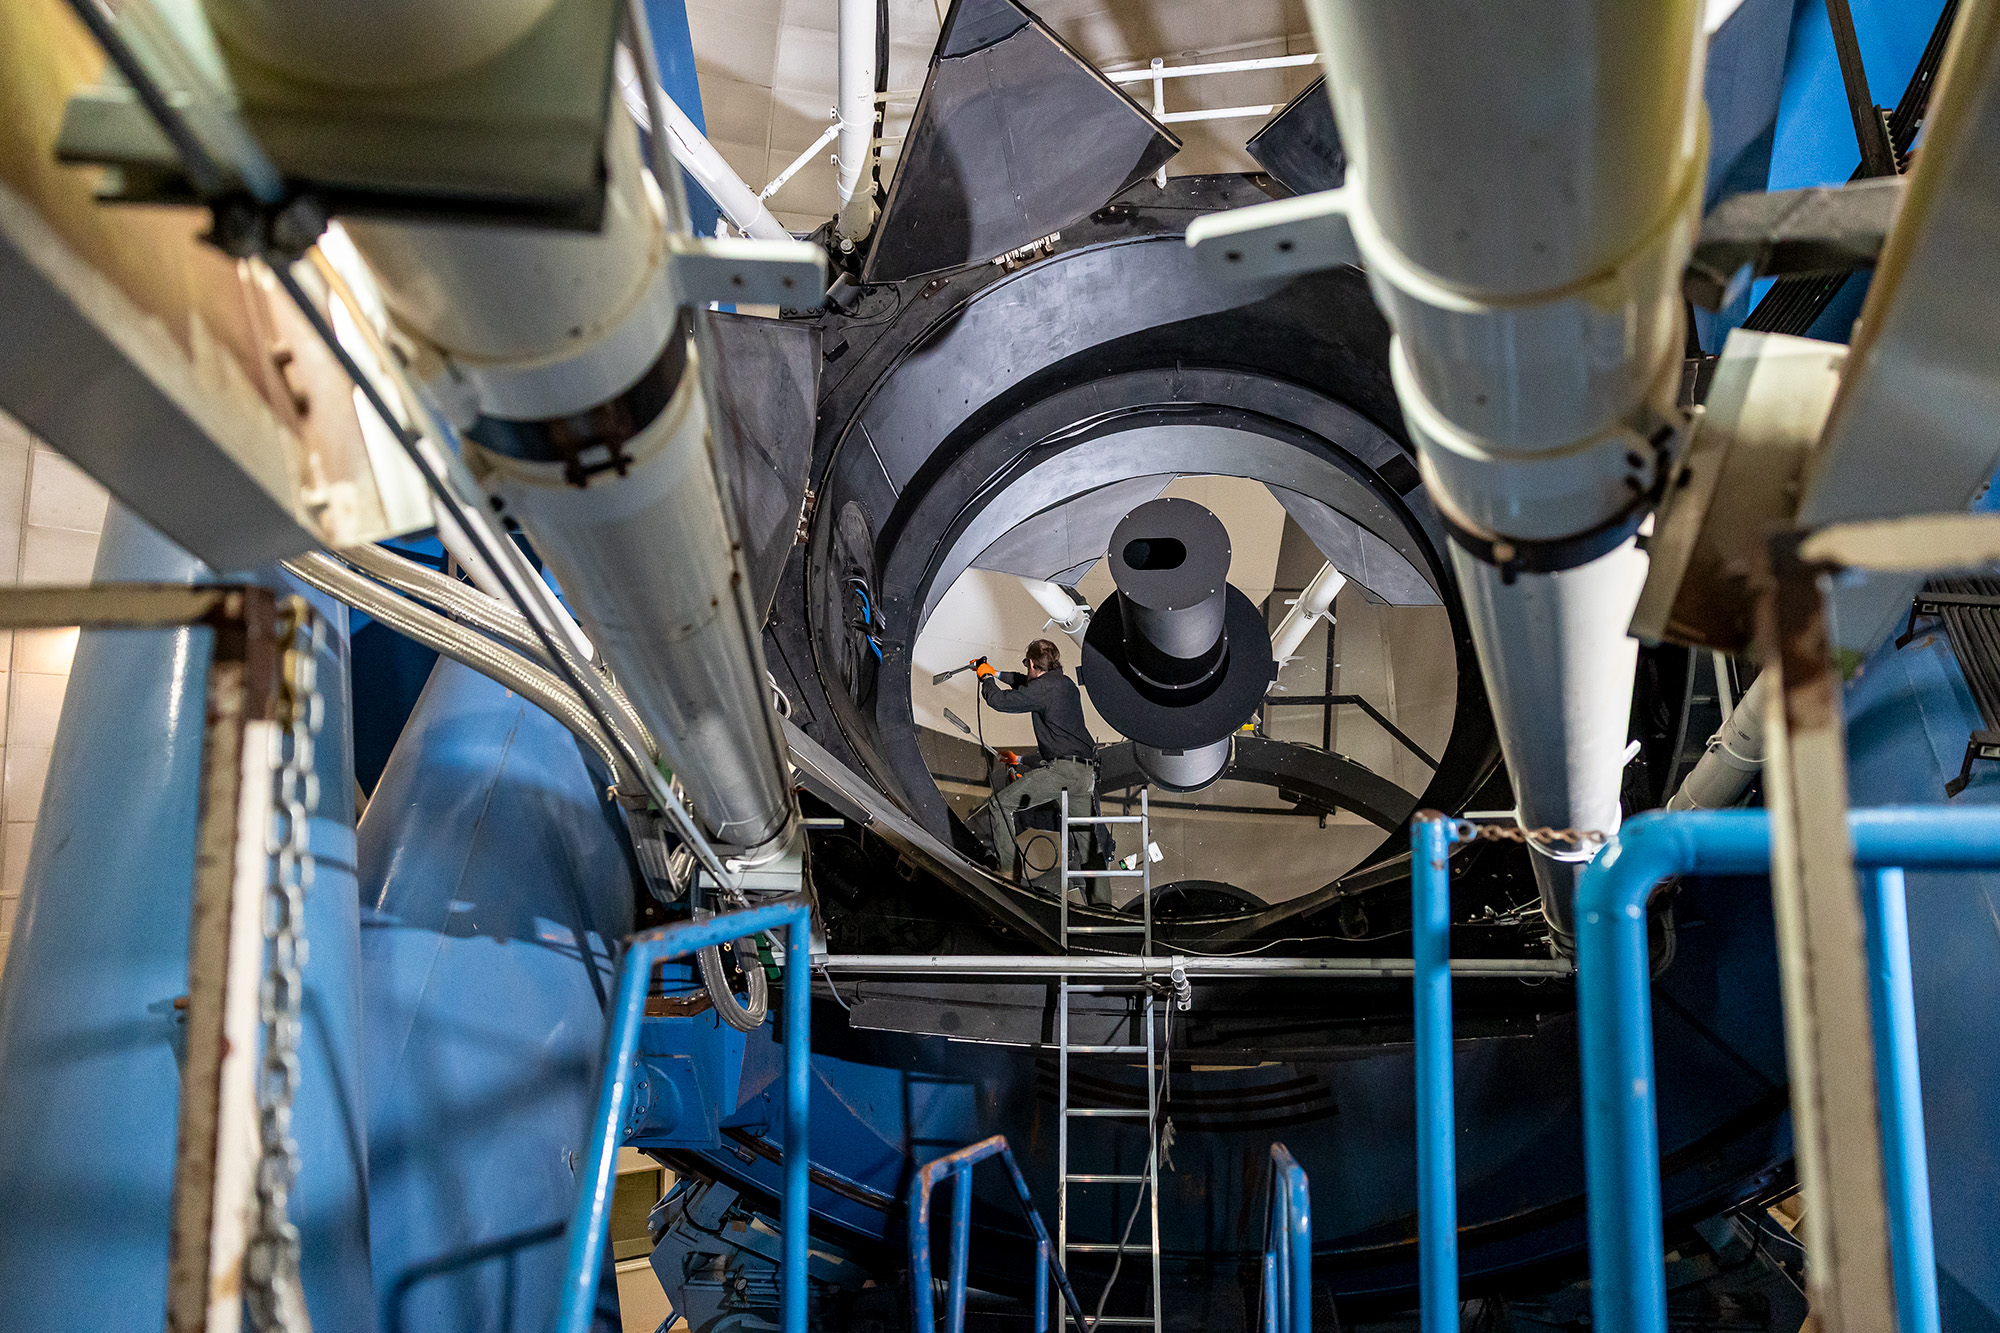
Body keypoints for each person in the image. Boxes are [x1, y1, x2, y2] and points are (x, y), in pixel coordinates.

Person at [975, 638, 1099, 890]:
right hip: (1085, 775)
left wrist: (985, 680)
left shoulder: (1042, 690)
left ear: (1031, 663)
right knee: (1087, 848)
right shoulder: (1065, 684)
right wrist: (996, 672)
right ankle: (1102, 904)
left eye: (1025, 665)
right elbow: (1027, 684)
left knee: (1000, 804)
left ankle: (1009, 872)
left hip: (1062, 773)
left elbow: (999, 701)